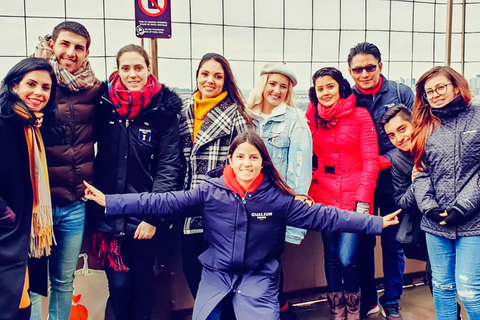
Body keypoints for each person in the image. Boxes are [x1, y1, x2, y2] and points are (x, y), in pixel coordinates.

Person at [83, 131, 400, 320]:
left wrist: (373, 221)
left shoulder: (277, 200)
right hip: (217, 273)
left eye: (253, 158)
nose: (247, 164)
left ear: (263, 162)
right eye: (240, 157)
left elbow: (327, 216)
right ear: (231, 160)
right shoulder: (210, 191)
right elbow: (161, 202)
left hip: (259, 276)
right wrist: (110, 201)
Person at [88, 44, 183, 320]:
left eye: (138, 67)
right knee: (118, 285)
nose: (132, 74)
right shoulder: (102, 105)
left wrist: (153, 216)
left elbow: (169, 166)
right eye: (125, 68)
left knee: (144, 283)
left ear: (148, 70)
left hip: (144, 217)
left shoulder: (163, 111)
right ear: (117, 70)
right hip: (106, 213)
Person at [30, 21, 104, 320]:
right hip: (38, 205)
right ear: (52, 45)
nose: (70, 53)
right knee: (34, 286)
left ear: (87, 53)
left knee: (63, 282)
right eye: (64, 44)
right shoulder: (38, 85)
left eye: (78, 47)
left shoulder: (95, 90)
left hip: (75, 203)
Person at [306, 67, 381, 319]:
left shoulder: (360, 115)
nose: (325, 92)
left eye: (330, 86)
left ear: (341, 87)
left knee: (347, 257)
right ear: (314, 93)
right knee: (331, 257)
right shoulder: (312, 118)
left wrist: (364, 199)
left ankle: (354, 307)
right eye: (320, 88)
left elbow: (371, 160)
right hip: (324, 194)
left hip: (354, 195)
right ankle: (337, 309)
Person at [347, 42, 414, 320]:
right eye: (357, 69)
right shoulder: (346, 98)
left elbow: (415, 130)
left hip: (394, 180)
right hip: (360, 183)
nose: (364, 74)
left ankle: (392, 299)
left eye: (370, 67)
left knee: (393, 243)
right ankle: (369, 298)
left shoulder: (402, 93)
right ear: (350, 72)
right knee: (362, 243)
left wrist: (384, 159)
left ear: (381, 66)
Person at [379, 104, 463, 320]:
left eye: (402, 129)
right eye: (391, 135)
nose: (398, 138)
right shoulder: (397, 160)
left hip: (463, 218)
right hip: (429, 225)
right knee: (436, 277)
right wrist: (415, 182)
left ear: (415, 123)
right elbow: (402, 202)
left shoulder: (438, 141)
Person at [410, 66, 480, 320]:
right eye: (429, 91)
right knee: (442, 287)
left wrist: (462, 207)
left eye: (441, 87)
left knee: (470, 289)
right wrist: (428, 207)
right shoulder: (425, 126)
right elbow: (421, 172)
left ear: (456, 86)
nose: (435, 94)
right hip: (435, 222)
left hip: (474, 221)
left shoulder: (478, 117)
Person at [179, 53, 251, 299]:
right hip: (187, 208)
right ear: (197, 76)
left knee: (223, 280)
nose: (210, 81)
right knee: (192, 272)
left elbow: (247, 165)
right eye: (205, 74)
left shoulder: (236, 115)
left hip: (222, 212)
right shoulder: (182, 110)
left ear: (225, 81)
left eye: (218, 76)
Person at [247, 63, 312, 319]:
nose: (276, 90)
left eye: (283, 86)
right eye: (272, 83)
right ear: (263, 84)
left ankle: (279, 310)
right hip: (244, 204)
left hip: (275, 206)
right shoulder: (246, 116)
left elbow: (300, 167)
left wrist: (295, 216)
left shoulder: (295, 120)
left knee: (270, 263)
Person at [0, 57, 57, 320]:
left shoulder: (29, 125)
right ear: (13, 86)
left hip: (18, 231)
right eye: (31, 84)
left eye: (46, 87)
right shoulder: (4, 122)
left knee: (20, 301)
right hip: (7, 231)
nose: (39, 93)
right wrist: (5, 214)